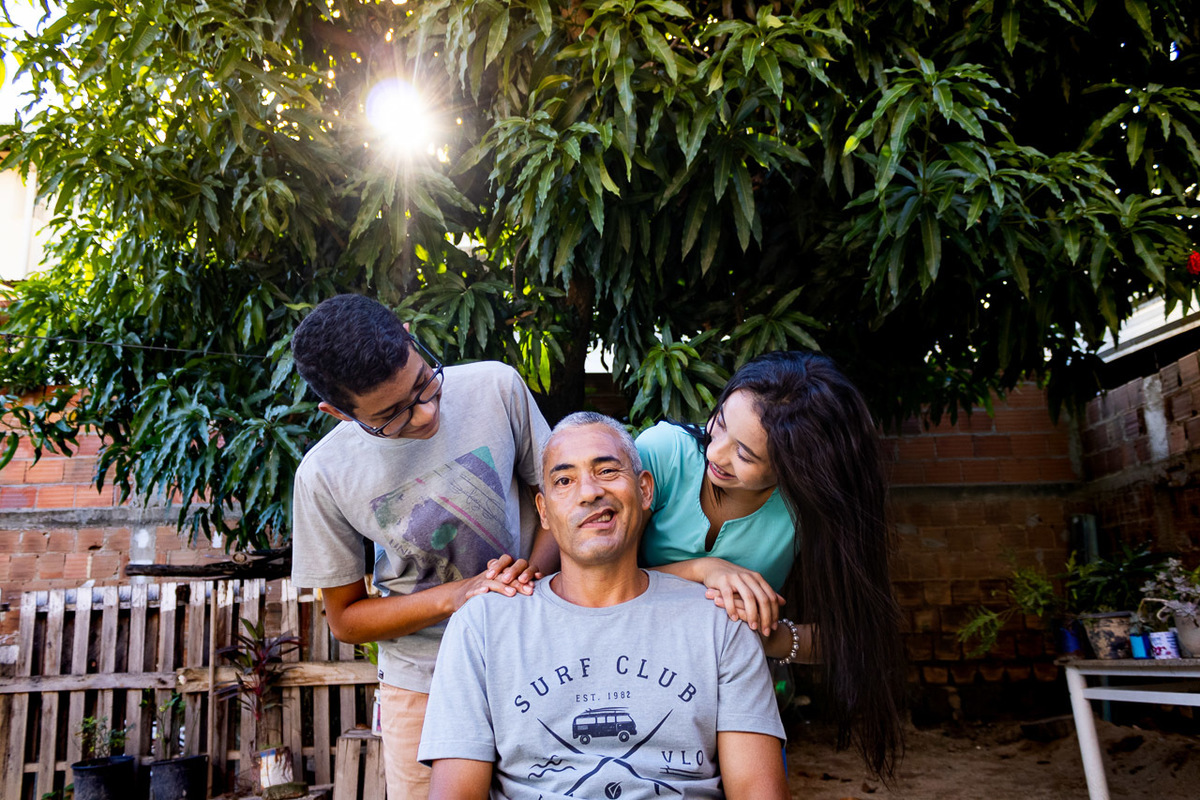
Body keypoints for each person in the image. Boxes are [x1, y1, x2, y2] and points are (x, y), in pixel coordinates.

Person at [418, 412, 789, 800]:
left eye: (608, 470)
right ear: (543, 511)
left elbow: (756, 789)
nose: (589, 491)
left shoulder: (720, 621)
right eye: (565, 480)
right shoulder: (483, 625)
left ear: (645, 490)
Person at [289, 294, 557, 800]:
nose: (425, 413)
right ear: (338, 413)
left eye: (424, 383)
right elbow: (346, 619)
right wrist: (458, 597)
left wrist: (524, 579)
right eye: (391, 416)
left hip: (533, 652)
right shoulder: (323, 477)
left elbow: (557, 500)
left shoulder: (496, 387)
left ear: (411, 335)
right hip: (422, 683)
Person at [635, 350, 905, 779]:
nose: (716, 454)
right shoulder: (663, 454)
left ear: (796, 467)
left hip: (734, 693)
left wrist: (767, 639)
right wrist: (704, 570)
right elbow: (594, 580)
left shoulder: (808, 512)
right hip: (633, 672)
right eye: (719, 423)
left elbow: (855, 640)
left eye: (745, 453)